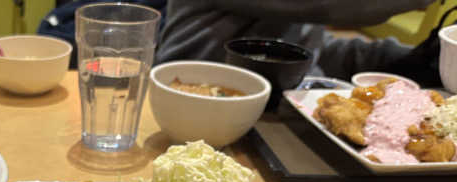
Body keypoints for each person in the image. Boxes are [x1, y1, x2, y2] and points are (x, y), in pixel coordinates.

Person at [155, 0, 437, 81]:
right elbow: (334, 6)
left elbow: (309, 49)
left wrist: (404, 57)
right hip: (197, 113)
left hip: (276, 119)